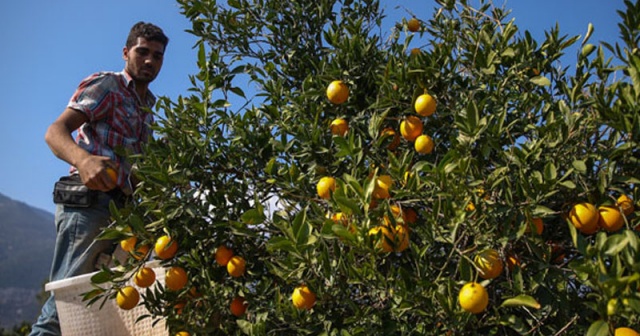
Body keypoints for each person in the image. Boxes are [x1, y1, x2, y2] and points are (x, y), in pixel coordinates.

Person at [29, 22, 169, 336]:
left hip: (126, 217)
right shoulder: (108, 86)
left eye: (157, 56)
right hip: (90, 206)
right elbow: (55, 133)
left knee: (105, 312)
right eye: (142, 52)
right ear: (125, 52)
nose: (149, 61)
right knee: (64, 312)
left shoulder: (149, 107)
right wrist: (83, 159)